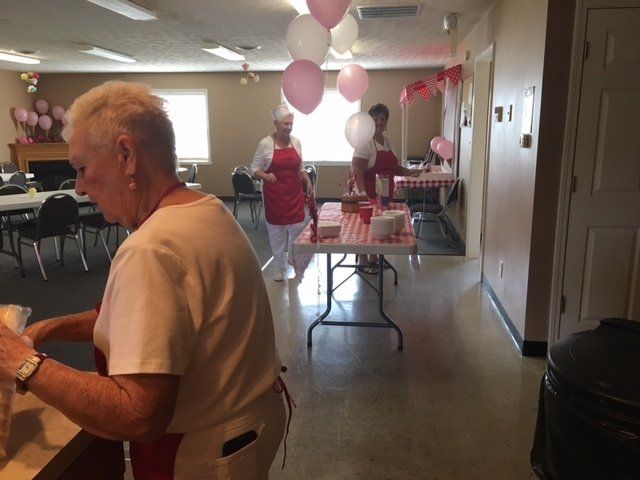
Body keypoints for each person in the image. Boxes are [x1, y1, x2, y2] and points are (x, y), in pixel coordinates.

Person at [0, 81, 287, 479]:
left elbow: (137, 415)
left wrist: (24, 362)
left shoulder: (150, 249)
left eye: (83, 168)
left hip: (199, 455)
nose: (80, 187)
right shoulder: (207, 209)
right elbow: (153, 319)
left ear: (126, 155)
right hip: (251, 423)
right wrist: (51, 327)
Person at [352, 103, 422, 274]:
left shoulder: (388, 142)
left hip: (384, 193)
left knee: (380, 225)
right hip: (366, 192)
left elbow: (394, 168)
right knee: (365, 226)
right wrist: (362, 194)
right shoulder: (364, 143)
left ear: (386, 122)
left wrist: (411, 172)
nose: (379, 122)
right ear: (369, 121)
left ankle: (374, 255)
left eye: (382, 119)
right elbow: (357, 169)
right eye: (375, 119)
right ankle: (363, 261)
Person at [251, 105, 313, 282]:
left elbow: (301, 168)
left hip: (294, 193)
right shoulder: (265, 144)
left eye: (291, 123)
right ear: (275, 124)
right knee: (276, 233)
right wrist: (265, 175)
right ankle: (279, 267)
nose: (288, 127)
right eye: (285, 124)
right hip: (274, 195)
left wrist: (307, 181)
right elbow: (254, 168)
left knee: (297, 229)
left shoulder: (297, 142)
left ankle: (292, 257)